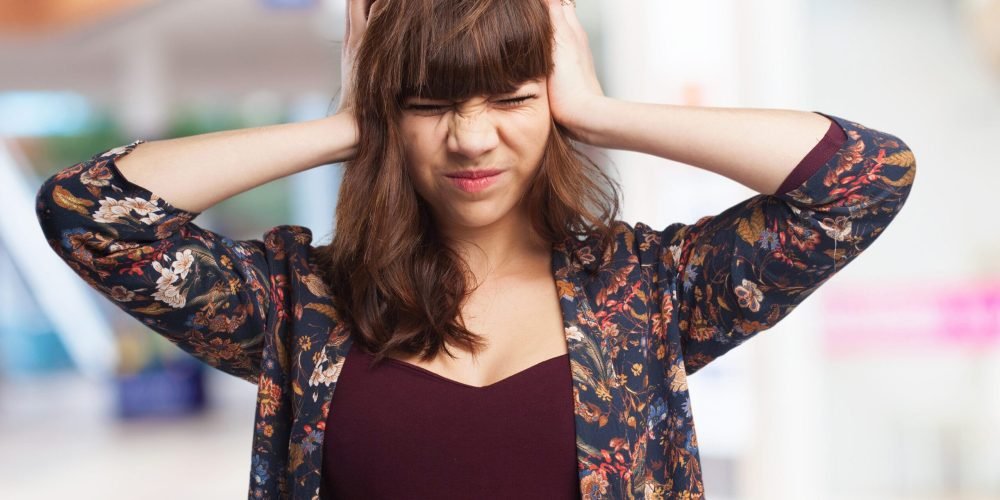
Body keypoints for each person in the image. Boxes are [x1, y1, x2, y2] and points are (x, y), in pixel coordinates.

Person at [34, 0, 916, 498]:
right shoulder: (301, 307)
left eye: (510, 98)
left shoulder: (647, 294)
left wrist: (600, 112)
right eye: (427, 104)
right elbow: (88, 214)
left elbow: (866, 177)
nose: (470, 138)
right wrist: (349, 121)